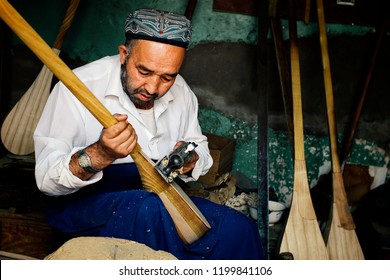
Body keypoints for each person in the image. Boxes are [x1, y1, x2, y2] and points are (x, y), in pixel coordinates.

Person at [34, 8, 265, 260]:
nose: (153, 88)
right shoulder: (79, 87)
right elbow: (47, 181)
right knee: (147, 210)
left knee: (237, 228)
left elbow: (198, 145)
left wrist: (190, 158)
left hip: (159, 195)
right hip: (86, 203)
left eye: (167, 77)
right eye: (144, 72)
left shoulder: (181, 92)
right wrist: (99, 154)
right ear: (124, 55)